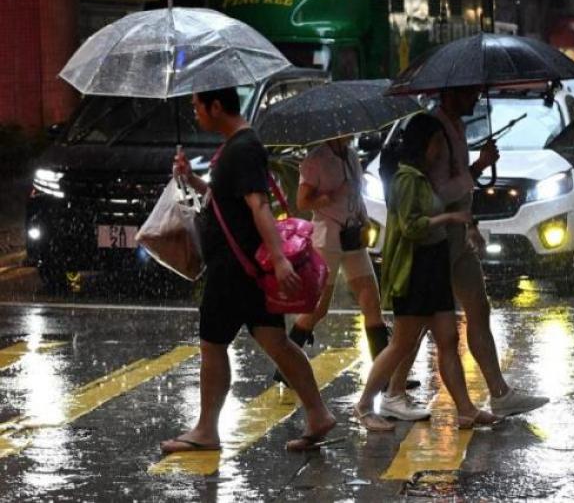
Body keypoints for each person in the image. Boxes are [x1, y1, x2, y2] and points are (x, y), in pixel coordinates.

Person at [160, 87, 336, 453]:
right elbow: (230, 200)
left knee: (213, 344)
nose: (195, 113)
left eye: (197, 106)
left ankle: (207, 429)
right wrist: (191, 179)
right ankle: (317, 414)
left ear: (217, 106)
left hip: (234, 270)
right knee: (276, 342)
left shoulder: (242, 148)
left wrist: (281, 257)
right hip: (246, 267)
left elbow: (259, 206)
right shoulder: (237, 146)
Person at [388, 86, 549, 417]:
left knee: (479, 308)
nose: (476, 97)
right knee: (419, 321)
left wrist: (471, 223)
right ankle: (393, 392)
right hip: (437, 239)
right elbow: (434, 192)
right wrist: (478, 168)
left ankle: (499, 393)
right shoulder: (433, 131)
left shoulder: (457, 128)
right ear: (451, 94)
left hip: (459, 235)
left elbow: (456, 188)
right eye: (469, 92)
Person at [354, 113, 501, 431]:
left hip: (433, 264)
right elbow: (410, 227)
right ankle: (365, 405)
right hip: (415, 268)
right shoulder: (407, 179)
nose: (441, 149)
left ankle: (465, 409)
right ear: (424, 144)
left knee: (448, 338)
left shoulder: (421, 177)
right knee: (402, 344)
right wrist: (449, 220)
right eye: (437, 142)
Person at [275, 135, 426, 421]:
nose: (351, 134)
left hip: (353, 234)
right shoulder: (316, 159)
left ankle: (387, 375)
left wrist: (365, 217)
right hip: (328, 238)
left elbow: (356, 193)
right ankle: (285, 367)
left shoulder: (351, 154)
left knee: (372, 302)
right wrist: (330, 195)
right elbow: (302, 200)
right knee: (318, 309)